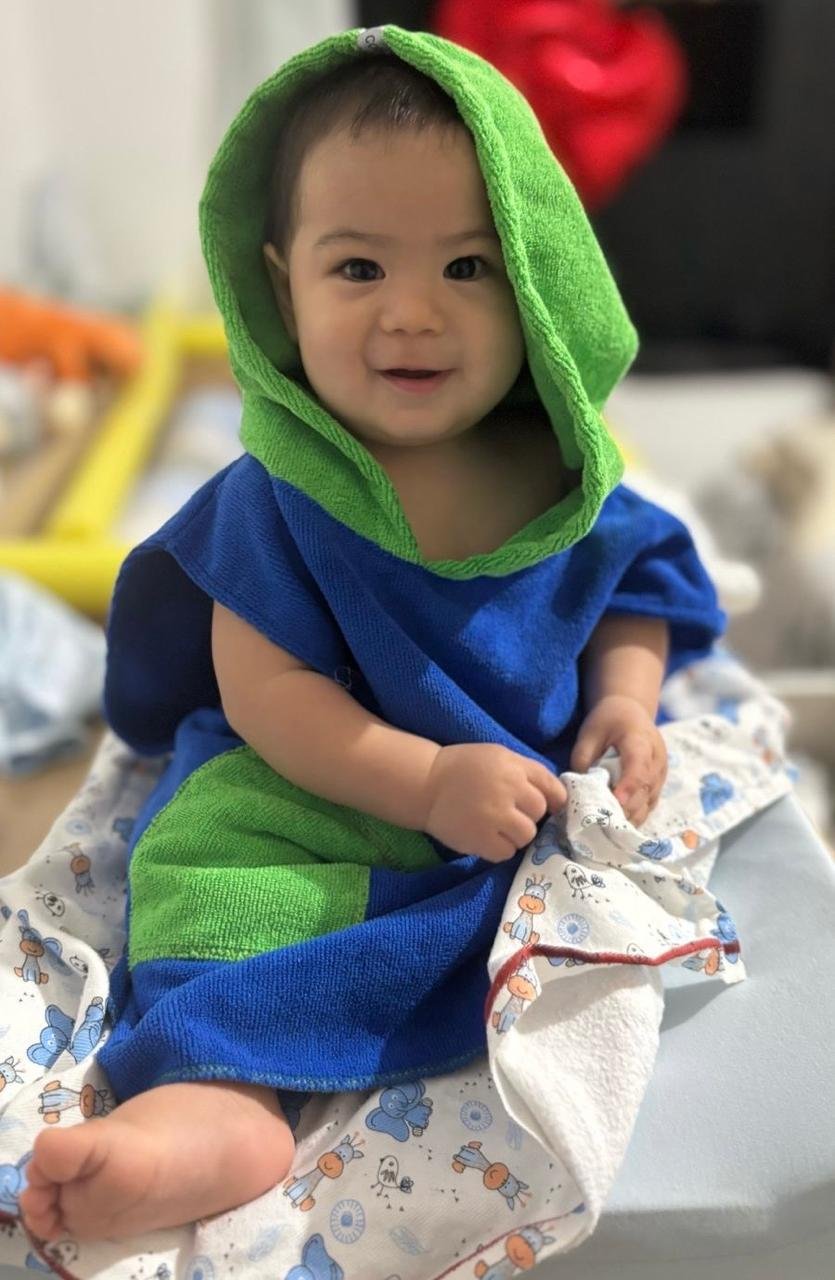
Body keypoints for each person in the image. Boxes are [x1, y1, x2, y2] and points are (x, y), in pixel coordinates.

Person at [19, 25, 725, 1244]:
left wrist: (623, 695)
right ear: (280, 284)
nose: (411, 314)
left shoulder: (559, 473)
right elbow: (269, 692)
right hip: (319, 782)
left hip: (520, 804)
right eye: (357, 268)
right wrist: (425, 779)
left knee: (588, 901)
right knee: (201, 862)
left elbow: (632, 589)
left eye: (467, 266)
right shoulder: (282, 493)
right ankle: (215, 1095)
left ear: (538, 279)